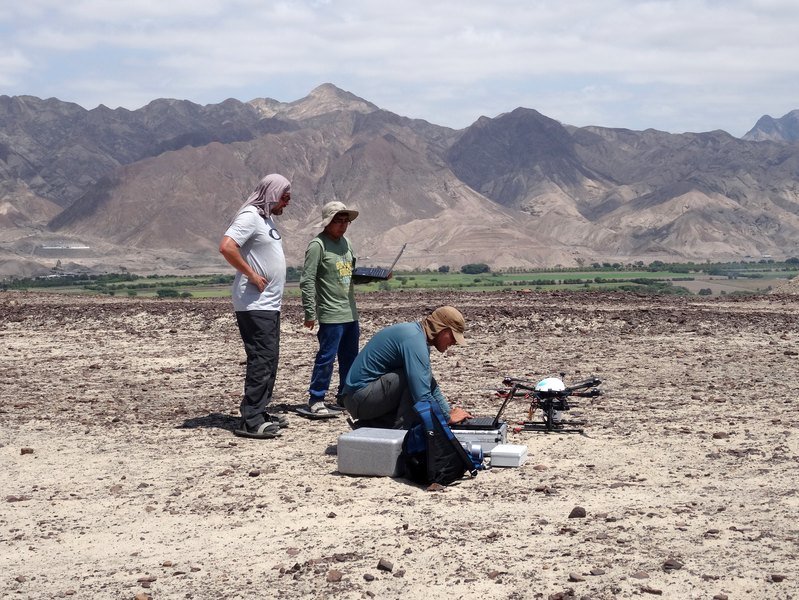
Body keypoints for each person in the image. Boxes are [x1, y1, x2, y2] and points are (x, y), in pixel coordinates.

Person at [219, 173, 291, 439]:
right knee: (261, 359)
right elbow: (227, 247)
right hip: (254, 302)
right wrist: (251, 274)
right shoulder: (250, 215)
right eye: (285, 197)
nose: (287, 203)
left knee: (270, 358)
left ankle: (259, 412)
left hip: (268, 303)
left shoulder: (265, 218)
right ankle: (250, 421)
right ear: (272, 195)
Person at [339, 306, 473, 429]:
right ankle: (401, 435)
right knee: (412, 383)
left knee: (418, 380)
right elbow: (422, 394)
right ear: (442, 328)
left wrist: (447, 412)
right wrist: (446, 418)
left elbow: (430, 383)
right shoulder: (415, 340)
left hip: (362, 397)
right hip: (358, 399)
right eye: (453, 336)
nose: (455, 342)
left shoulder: (417, 336)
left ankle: (373, 425)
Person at [299, 201, 361, 417]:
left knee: (350, 358)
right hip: (330, 314)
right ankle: (316, 398)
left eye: (346, 221)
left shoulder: (347, 244)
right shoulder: (318, 245)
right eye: (338, 220)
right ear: (328, 222)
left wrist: (375, 276)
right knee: (326, 357)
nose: (343, 225)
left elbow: (350, 275)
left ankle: (345, 396)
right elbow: (307, 280)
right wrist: (310, 312)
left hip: (350, 313)